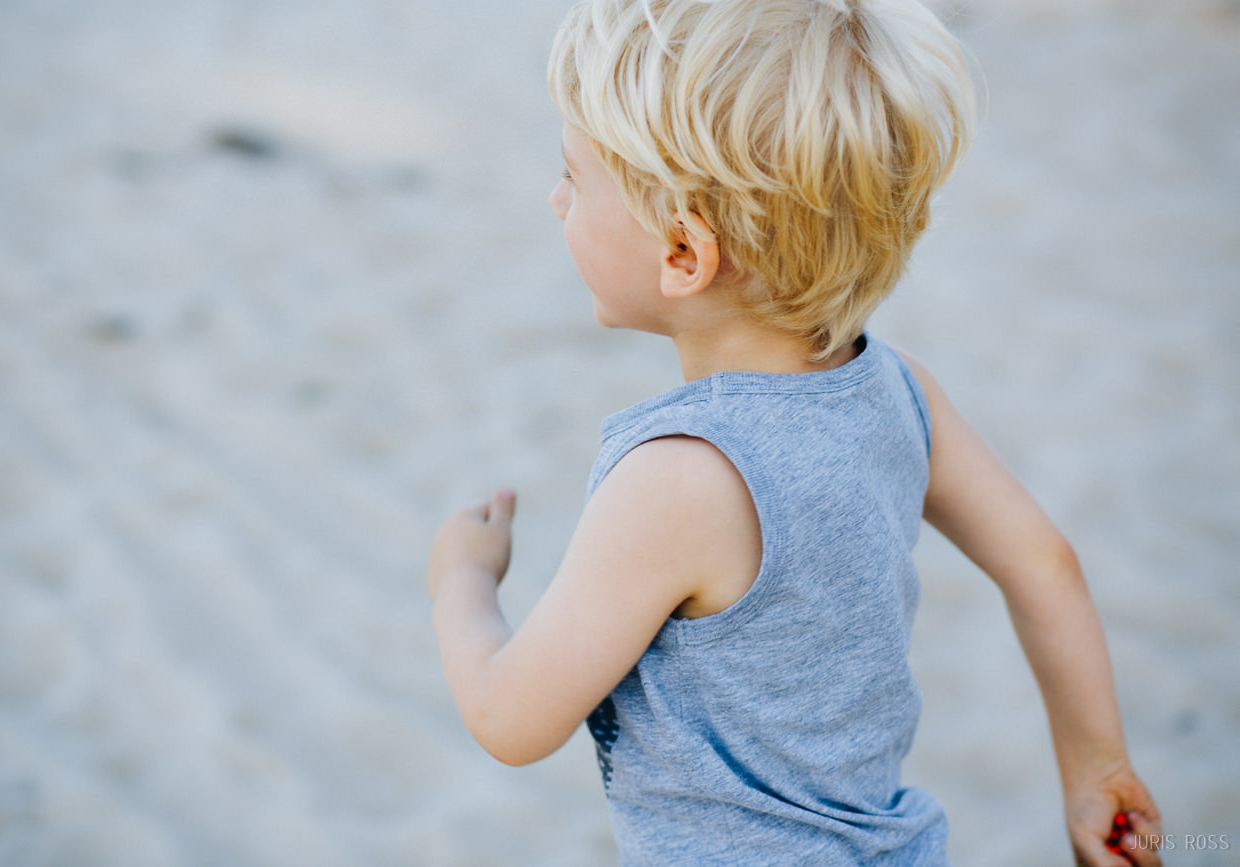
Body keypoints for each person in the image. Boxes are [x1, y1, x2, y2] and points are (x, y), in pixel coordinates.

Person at [425, 0, 1161, 862]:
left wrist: (462, 584)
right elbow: (1044, 564)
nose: (555, 200)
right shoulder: (899, 392)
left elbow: (509, 717)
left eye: (573, 177)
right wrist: (1094, 768)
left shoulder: (677, 482)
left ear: (683, 253)